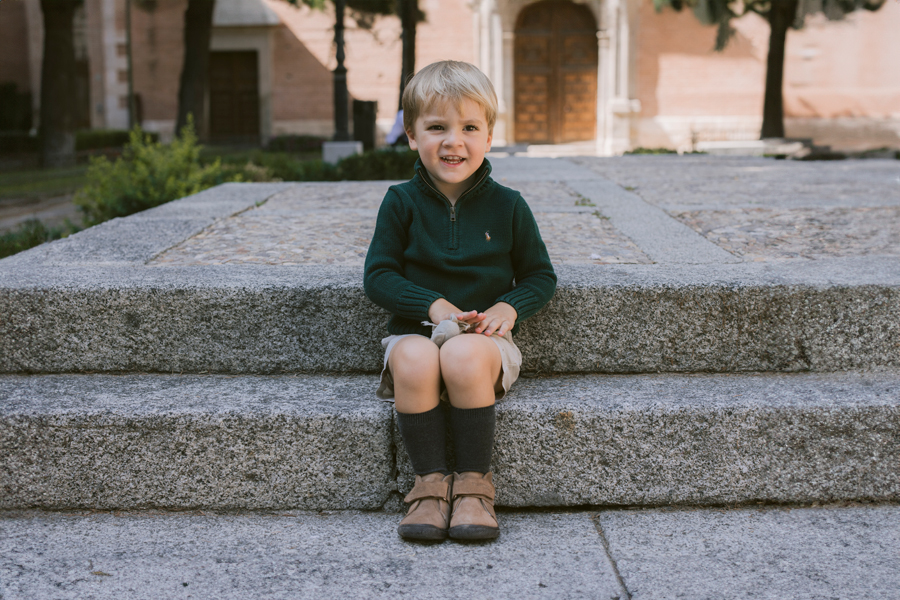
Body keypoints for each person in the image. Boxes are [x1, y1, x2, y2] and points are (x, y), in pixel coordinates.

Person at [363, 60, 556, 541]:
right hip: (419, 332)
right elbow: (378, 275)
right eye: (437, 128)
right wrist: (431, 305)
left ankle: (473, 487)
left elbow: (539, 275)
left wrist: (508, 309)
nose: (454, 141)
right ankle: (429, 486)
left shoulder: (508, 204)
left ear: (489, 137)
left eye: (470, 127)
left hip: (483, 342)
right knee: (411, 356)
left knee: (465, 354)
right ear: (411, 135)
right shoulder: (400, 201)